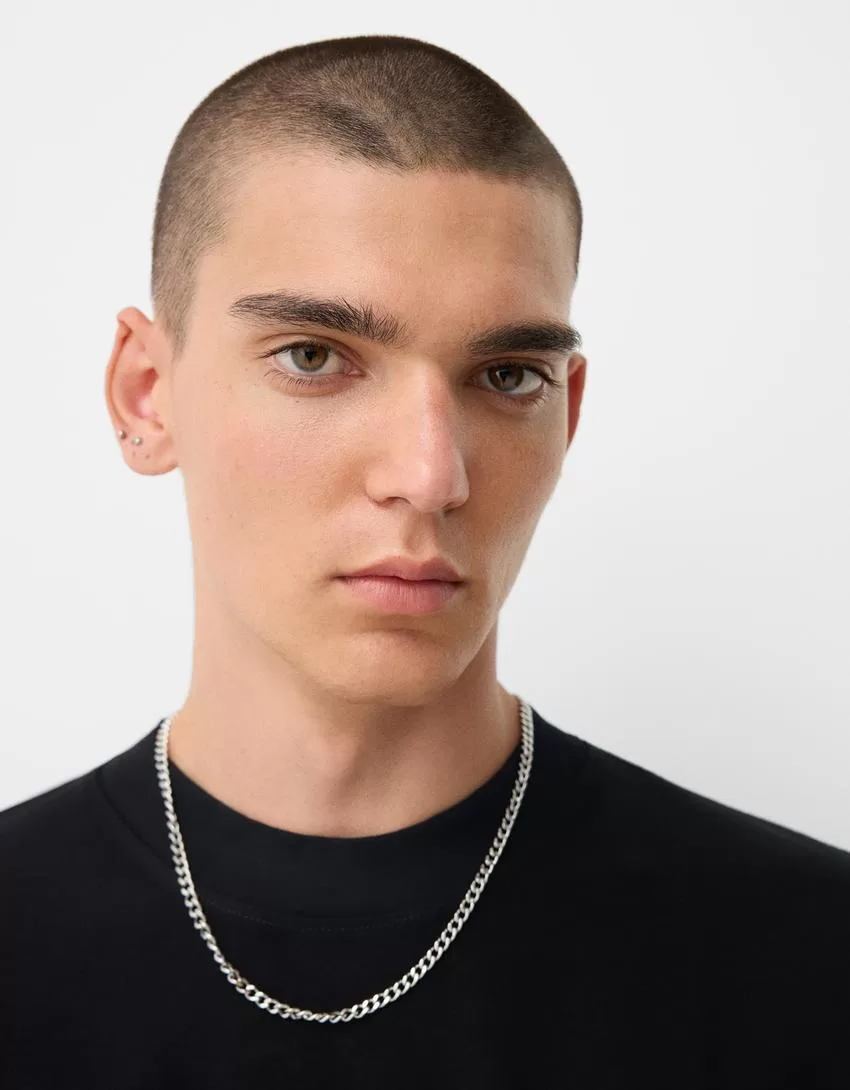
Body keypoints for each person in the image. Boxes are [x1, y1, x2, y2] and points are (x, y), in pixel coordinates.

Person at [2, 34, 848, 1088]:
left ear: (567, 414)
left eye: (508, 375)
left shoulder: (813, 958)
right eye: (314, 356)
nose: (430, 474)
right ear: (146, 394)